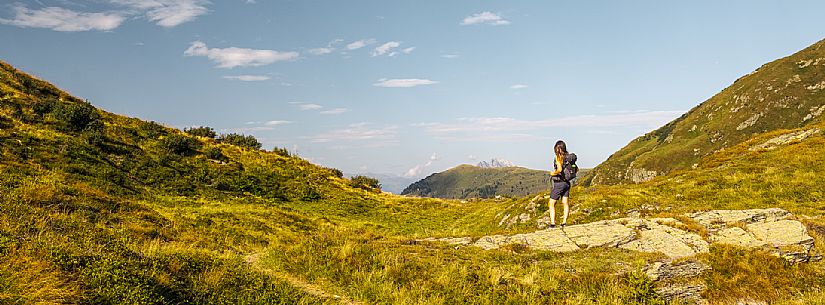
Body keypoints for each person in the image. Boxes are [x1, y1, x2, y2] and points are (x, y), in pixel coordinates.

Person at [548, 140, 571, 228]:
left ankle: (553, 223)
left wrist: (553, 173)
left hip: (559, 183)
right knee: (565, 202)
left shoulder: (559, 158)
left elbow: (559, 169)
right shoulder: (569, 158)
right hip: (567, 183)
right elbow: (577, 169)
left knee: (551, 203)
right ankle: (564, 222)